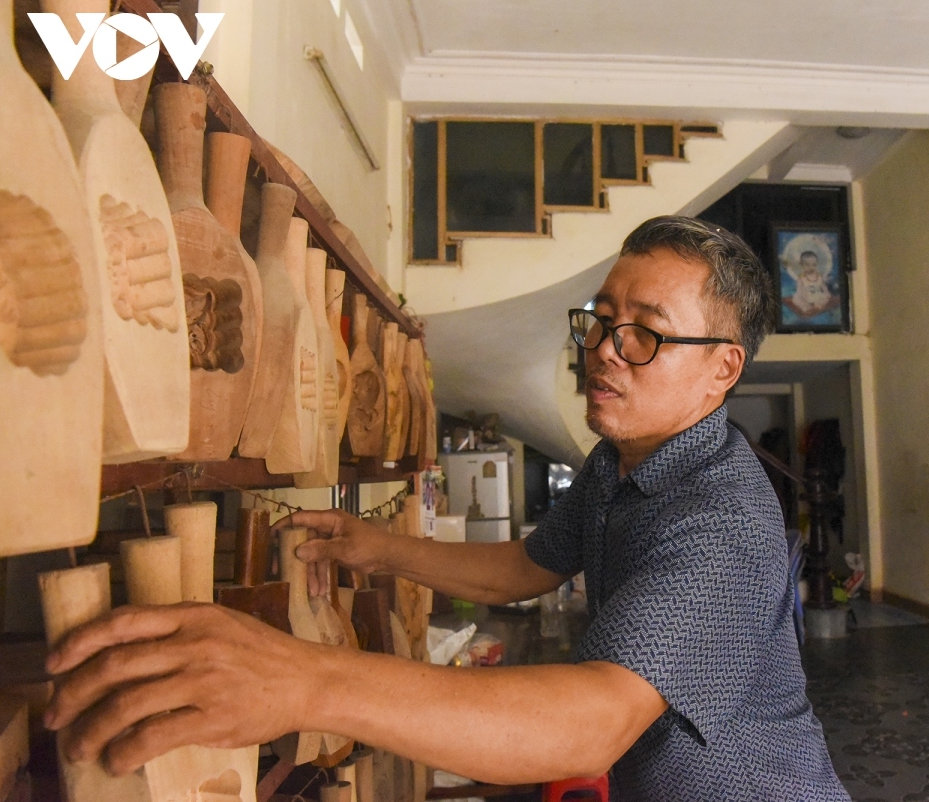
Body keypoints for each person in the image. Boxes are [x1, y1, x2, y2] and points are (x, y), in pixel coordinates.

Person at [42, 216, 851, 801]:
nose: (604, 346)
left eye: (646, 332)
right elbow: (519, 567)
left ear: (721, 370)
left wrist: (300, 680)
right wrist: (378, 548)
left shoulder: (719, 518)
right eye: (601, 317)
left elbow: (589, 725)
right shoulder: (617, 463)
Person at [787, 249, 833, 317]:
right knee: (796, 299)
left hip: (817, 296)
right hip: (805, 296)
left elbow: (824, 289)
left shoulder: (819, 277)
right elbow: (799, 292)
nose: (811, 267)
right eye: (807, 265)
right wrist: (803, 302)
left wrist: (826, 295)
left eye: (814, 265)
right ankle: (807, 308)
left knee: (824, 298)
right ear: (801, 265)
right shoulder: (801, 279)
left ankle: (817, 306)